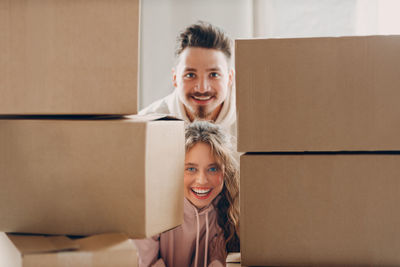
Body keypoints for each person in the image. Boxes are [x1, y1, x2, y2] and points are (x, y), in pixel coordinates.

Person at [135, 121, 240, 267]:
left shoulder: (227, 212)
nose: (202, 180)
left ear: (225, 172)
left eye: (213, 169)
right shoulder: (152, 212)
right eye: (191, 169)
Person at [139, 22, 236, 138]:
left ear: (230, 78)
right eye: (190, 75)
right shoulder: (145, 126)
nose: (202, 88)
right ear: (175, 78)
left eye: (214, 74)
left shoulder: (253, 122)